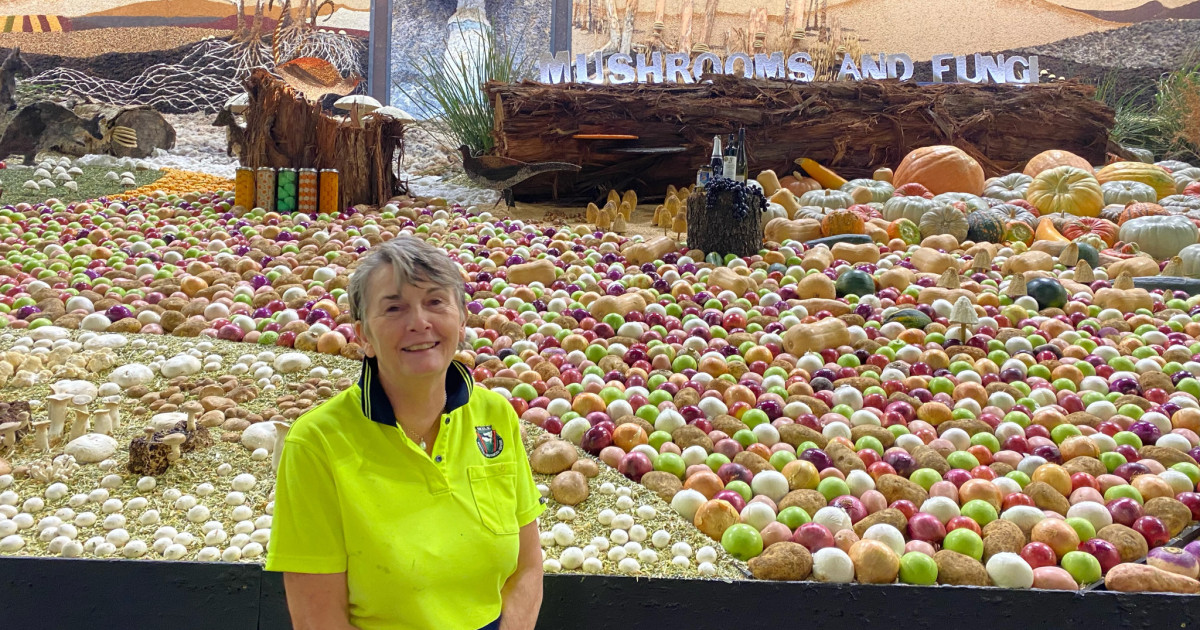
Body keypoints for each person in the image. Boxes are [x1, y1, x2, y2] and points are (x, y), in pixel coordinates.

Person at [266, 236, 546, 630]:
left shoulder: (495, 416)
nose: (419, 322)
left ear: (462, 319)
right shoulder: (317, 443)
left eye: (435, 302)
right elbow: (318, 619)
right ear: (364, 336)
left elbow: (528, 568)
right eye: (394, 308)